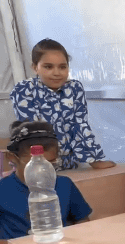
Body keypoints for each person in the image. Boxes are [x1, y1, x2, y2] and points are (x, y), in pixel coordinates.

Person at [0, 121, 92, 244]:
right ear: (12, 158)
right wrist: (24, 243)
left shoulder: (64, 184)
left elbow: (84, 222)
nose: (43, 170)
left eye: (51, 164)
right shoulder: (2, 191)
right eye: (34, 163)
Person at [10, 39, 115, 170]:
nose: (56, 72)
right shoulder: (24, 90)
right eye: (48, 67)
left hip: (69, 164)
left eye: (62, 67)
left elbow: (80, 125)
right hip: (36, 165)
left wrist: (93, 159)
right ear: (35, 67)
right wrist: (42, 166)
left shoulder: (74, 88)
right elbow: (32, 132)